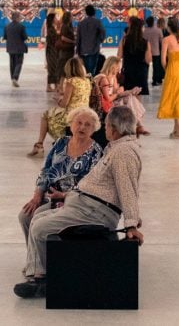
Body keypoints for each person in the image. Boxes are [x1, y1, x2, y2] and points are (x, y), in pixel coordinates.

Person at [14, 105, 144, 299]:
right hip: (82, 204)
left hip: (93, 210)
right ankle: (42, 270)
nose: (105, 130)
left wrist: (131, 223)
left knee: (40, 227)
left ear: (114, 129)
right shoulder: (117, 148)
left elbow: (127, 188)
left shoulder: (123, 152)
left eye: (106, 126)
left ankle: (41, 281)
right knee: (35, 216)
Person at [18, 106, 103, 240]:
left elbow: (91, 185)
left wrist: (64, 195)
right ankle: (37, 255)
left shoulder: (96, 152)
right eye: (79, 122)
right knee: (25, 215)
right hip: (51, 197)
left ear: (93, 129)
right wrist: (37, 195)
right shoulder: (61, 142)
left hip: (76, 202)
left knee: (39, 217)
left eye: (88, 125)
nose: (82, 127)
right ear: (71, 124)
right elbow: (46, 171)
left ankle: (45, 257)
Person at [28, 57, 91, 156]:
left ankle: (39, 145)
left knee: (45, 115)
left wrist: (58, 100)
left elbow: (64, 104)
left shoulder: (71, 82)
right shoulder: (87, 81)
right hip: (85, 114)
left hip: (71, 115)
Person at [94, 56, 147, 140]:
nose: (120, 69)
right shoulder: (103, 78)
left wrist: (130, 91)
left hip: (111, 101)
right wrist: (118, 93)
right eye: (118, 67)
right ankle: (137, 126)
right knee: (127, 102)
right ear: (113, 66)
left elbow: (118, 93)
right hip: (103, 105)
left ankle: (138, 125)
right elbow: (108, 98)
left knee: (129, 97)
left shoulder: (113, 77)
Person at [157, 17, 179, 138]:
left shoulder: (166, 40)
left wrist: (168, 71)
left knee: (173, 99)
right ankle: (176, 129)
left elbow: (162, 61)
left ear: (168, 27)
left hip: (172, 71)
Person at [119, 16, 151, 98]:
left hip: (128, 71)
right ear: (140, 28)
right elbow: (148, 60)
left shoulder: (124, 40)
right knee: (138, 97)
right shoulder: (145, 42)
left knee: (127, 97)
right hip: (141, 73)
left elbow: (119, 56)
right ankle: (137, 111)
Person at [76, 4, 106, 77]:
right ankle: (91, 85)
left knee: (85, 69)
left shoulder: (81, 23)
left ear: (86, 12)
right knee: (92, 70)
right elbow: (103, 32)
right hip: (94, 49)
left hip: (83, 50)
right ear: (94, 12)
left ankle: (86, 84)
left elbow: (78, 38)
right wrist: (100, 41)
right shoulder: (97, 22)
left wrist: (78, 50)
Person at [5, 11, 28, 87]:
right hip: (19, 48)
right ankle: (15, 77)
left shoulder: (7, 26)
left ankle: (12, 79)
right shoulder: (21, 27)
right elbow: (25, 37)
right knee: (19, 63)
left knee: (12, 64)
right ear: (17, 17)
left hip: (10, 48)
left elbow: (5, 37)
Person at [52, 10, 76, 83]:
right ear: (68, 17)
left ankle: (61, 86)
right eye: (71, 16)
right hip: (65, 51)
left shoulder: (69, 26)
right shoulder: (65, 26)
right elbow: (63, 38)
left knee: (66, 68)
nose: (72, 18)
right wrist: (73, 42)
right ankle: (60, 86)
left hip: (69, 50)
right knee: (63, 68)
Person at [144, 15, 164, 86]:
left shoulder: (145, 30)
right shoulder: (158, 30)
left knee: (146, 66)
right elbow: (162, 41)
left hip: (146, 52)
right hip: (156, 51)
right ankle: (154, 81)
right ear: (153, 22)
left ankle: (145, 80)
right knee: (156, 67)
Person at [44, 11, 60, 93]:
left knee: (53, 68)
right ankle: (52, 86)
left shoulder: (52, 28)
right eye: (55, 18)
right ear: (52, 20)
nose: (57, 19)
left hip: (52, 51)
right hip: (52, 52)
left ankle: (54, 85)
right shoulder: (51, 29)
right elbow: (53, 41)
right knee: (53, 68)